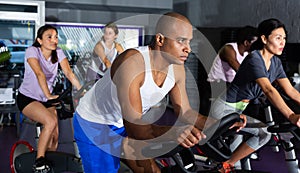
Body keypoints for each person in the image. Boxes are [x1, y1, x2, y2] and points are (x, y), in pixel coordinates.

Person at [73, 12, 207, 173]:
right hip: (95, 123)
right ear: (160, 40)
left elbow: (185, 112)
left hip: (123, 123)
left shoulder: (177, 69)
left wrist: (220, 123)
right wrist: (173, 133)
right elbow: (135, 127)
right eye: (181, 41)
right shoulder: (132, 63)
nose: (188, 49)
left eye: (189, 42)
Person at [205, 18, 300, 173]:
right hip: (223, 108)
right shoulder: (254, 58)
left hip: (238, 110)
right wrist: (291, 116)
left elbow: (291, 91)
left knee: (263, 133)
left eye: (284, 38)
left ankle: (226, 165)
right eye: (278, 38)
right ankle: (225, 164)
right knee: (262, 133)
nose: (282, 42)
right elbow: (268, 90)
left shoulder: (275, 62)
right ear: (264, 38)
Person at [16, 24, 82, 173]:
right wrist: (48, 95)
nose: (54, 40)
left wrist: (82, 90)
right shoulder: (32, 51)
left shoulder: (58, 52)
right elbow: (39, 73)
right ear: (39, 40)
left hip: (47, 99)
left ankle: (49, 160)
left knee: (55, 134)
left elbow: (69, 73)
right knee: (50, 121)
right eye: (49, 37)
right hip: (27, 98)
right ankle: (39, 162)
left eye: (56, 37)